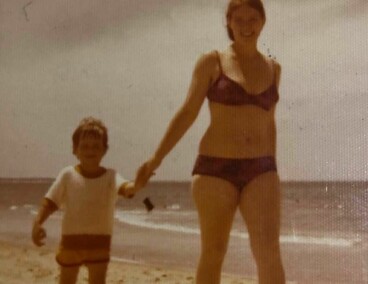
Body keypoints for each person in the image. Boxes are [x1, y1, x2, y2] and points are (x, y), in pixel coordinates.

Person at [135, 0, 285, 283]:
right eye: (238, 19)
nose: (245, 26)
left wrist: (273, 168)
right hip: (215, 170)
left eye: (252, 19)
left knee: (268, 251)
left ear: (263, 21)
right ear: (228, 23)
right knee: (214, 251)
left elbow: (269, 123)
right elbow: (187, 112)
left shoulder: (274, 69)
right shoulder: (211, 61)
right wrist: (156, 158)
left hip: (261, 171)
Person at [31, 117, 139, 284]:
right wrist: (38, 222)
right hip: (70, 243)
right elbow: (50, 201)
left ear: (104, 150)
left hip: (100, 244)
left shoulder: (111, 176)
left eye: (96, 146)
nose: (91, 150)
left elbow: (126, 188)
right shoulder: (68, 175)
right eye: (85, 146)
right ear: (75, 150)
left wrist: (138, 182)